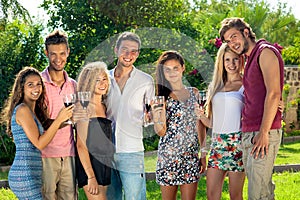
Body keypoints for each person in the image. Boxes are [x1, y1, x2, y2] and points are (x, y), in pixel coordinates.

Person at [219, 17, 284, 199]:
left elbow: (273, 93)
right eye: (227, 41)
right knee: (262, 191)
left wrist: (263, 133)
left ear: (245, 32)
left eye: (234, 36)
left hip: (263, 132)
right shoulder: (249, 60)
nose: (232, 43)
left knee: (257, 193)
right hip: (249, 133)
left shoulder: (265, 52)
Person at [1, 67, 73, 199]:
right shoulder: (22, 110)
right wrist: (59, 119)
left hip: (31, 171)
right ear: (21, 88)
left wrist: (66, 120)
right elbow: (40, 143)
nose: (36, 88)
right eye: (30, 85)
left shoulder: (32, 110)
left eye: (39, 84)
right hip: (24, 172)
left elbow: (49, 126)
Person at [105, 31, 155, 200]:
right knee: (111, 197)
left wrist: (150, 118)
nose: (129, 55)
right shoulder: (104, 78)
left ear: (138, 54)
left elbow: (150, 116)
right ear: (116, 50)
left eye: (134, 51)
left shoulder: (145, 80)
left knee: (135, 197)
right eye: (125, 49)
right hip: (106, 149)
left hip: (132, 149)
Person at [152, 50, 206, 200]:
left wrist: (203, 152)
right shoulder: (161, 98)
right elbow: (161, 132)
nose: (172, 73)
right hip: (168, 158)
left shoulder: (194, 93)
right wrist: (158, 113)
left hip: (190, 157)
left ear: (183, 68)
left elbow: (200, 125)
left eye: (175, 68)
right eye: (167, 70)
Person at [196, 43, 245, 200]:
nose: (231, 64)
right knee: (211, 195)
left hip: (238, 144)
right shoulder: (215, 86)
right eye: (227, 60)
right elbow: (213, 123)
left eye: (235, 59)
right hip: (218, 145)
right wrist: (202, 117)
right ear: (221, 62)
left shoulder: (247, 85)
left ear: (241, 60)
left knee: (235, 195)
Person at [41, 30, 77, 199]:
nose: (58, 58)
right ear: (46, 53)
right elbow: (36, 122)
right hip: (45, 155)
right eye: (53, 54)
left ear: (68, 52)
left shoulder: (74, 85)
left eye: (62, 53)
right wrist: (61, 121)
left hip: (69, 154)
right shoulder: (38, 83)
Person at [76, 61, 115, 200]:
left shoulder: (104, 106)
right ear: (88, 83)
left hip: (104, 163)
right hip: (90, 166)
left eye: (104, 79)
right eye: (97, 80)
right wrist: (90, 176)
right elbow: (80, 145)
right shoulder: (84, 107)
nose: (102, 83)